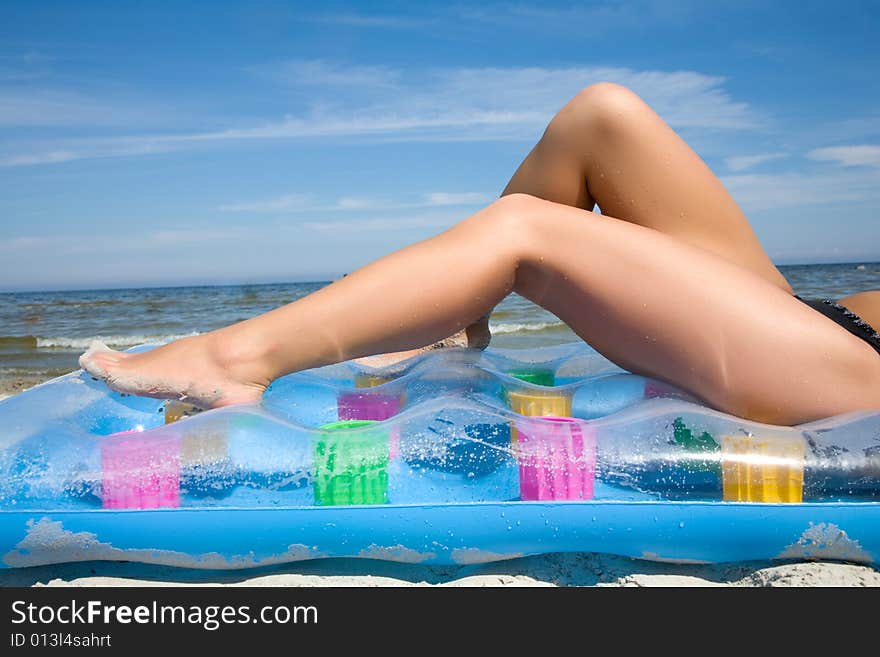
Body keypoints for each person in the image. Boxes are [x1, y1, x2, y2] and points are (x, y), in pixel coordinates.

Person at [80, 83, 880, 426]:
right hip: (829, 326)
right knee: (601, 118)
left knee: (526, 229)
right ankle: (458, 315)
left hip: (858, 375)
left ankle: (232, 358)